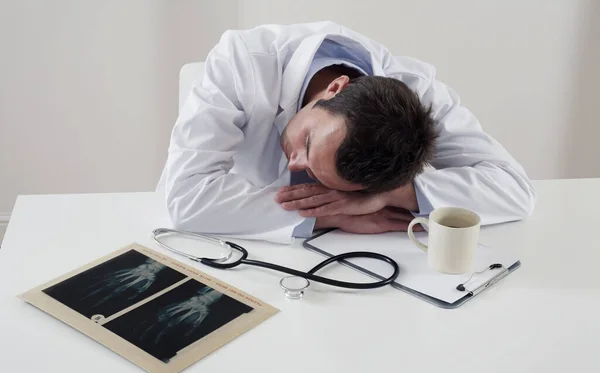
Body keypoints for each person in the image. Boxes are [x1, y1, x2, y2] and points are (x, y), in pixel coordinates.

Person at [158, 21, 536, 244]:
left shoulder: (420, 96)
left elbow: (514, 191)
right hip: (241, 244)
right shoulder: (242, 61)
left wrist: (392, 195)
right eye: (308, 141)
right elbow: (185, 200)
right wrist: (328, 215)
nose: (296, 161)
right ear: (335, 88)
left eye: (333, 184)